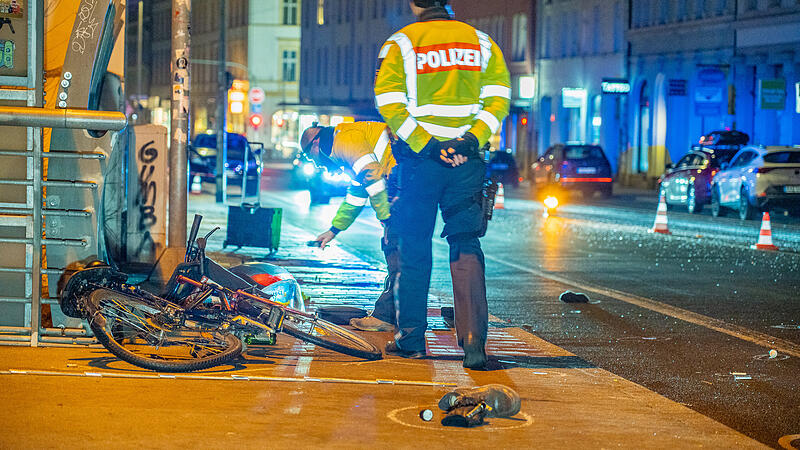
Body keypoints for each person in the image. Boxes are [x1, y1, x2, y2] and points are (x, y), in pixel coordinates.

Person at [374, 0, 510, 369]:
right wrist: (469, 140)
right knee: (466, 244)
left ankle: (411, 340)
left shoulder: (402, 43)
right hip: (466, 163)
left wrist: (429, 145)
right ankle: (474, 343)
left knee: (414, 249)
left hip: (420, 163)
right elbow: (498, 99)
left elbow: (390, 103)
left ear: (414, 3)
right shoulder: (481, 42)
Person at [300, 122, 399, 332]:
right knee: (398, 255)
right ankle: (395, 316)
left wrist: (387, 217)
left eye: (310, 157)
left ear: (316, 143)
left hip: (401, 181)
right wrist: (333, 230)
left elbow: (372, 175)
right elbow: (357, 194)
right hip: (400, 180)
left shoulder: (344, 140)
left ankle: (387, 317)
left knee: (397, 253)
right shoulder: (342, 146)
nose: (316, 164)